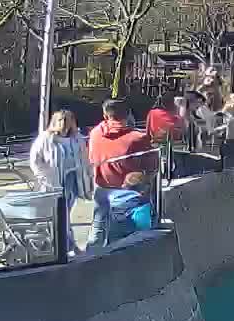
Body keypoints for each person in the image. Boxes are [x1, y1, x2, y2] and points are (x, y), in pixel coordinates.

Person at [87, 99, 156, 250]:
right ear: (128, 115)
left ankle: (89, 258)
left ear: (105, 115)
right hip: (126, 193)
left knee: (98, 227)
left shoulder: (95, 133)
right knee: (124, 238)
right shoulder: (138, 138)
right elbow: (152, 166)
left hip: (101, 187)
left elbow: (92, 158)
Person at [28, 108, 92, 256]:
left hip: (72, 180)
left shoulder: (77, 138)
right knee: (60, 214)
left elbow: (84, 159)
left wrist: (88, 176)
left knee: (65, 213)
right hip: (54, 181)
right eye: (61, 121)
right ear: (55, 122)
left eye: (68, 121)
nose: (64, 124)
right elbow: (35, 160)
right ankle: (67, 245)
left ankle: (65, 244)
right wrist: (44, 175)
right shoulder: (46, 138)